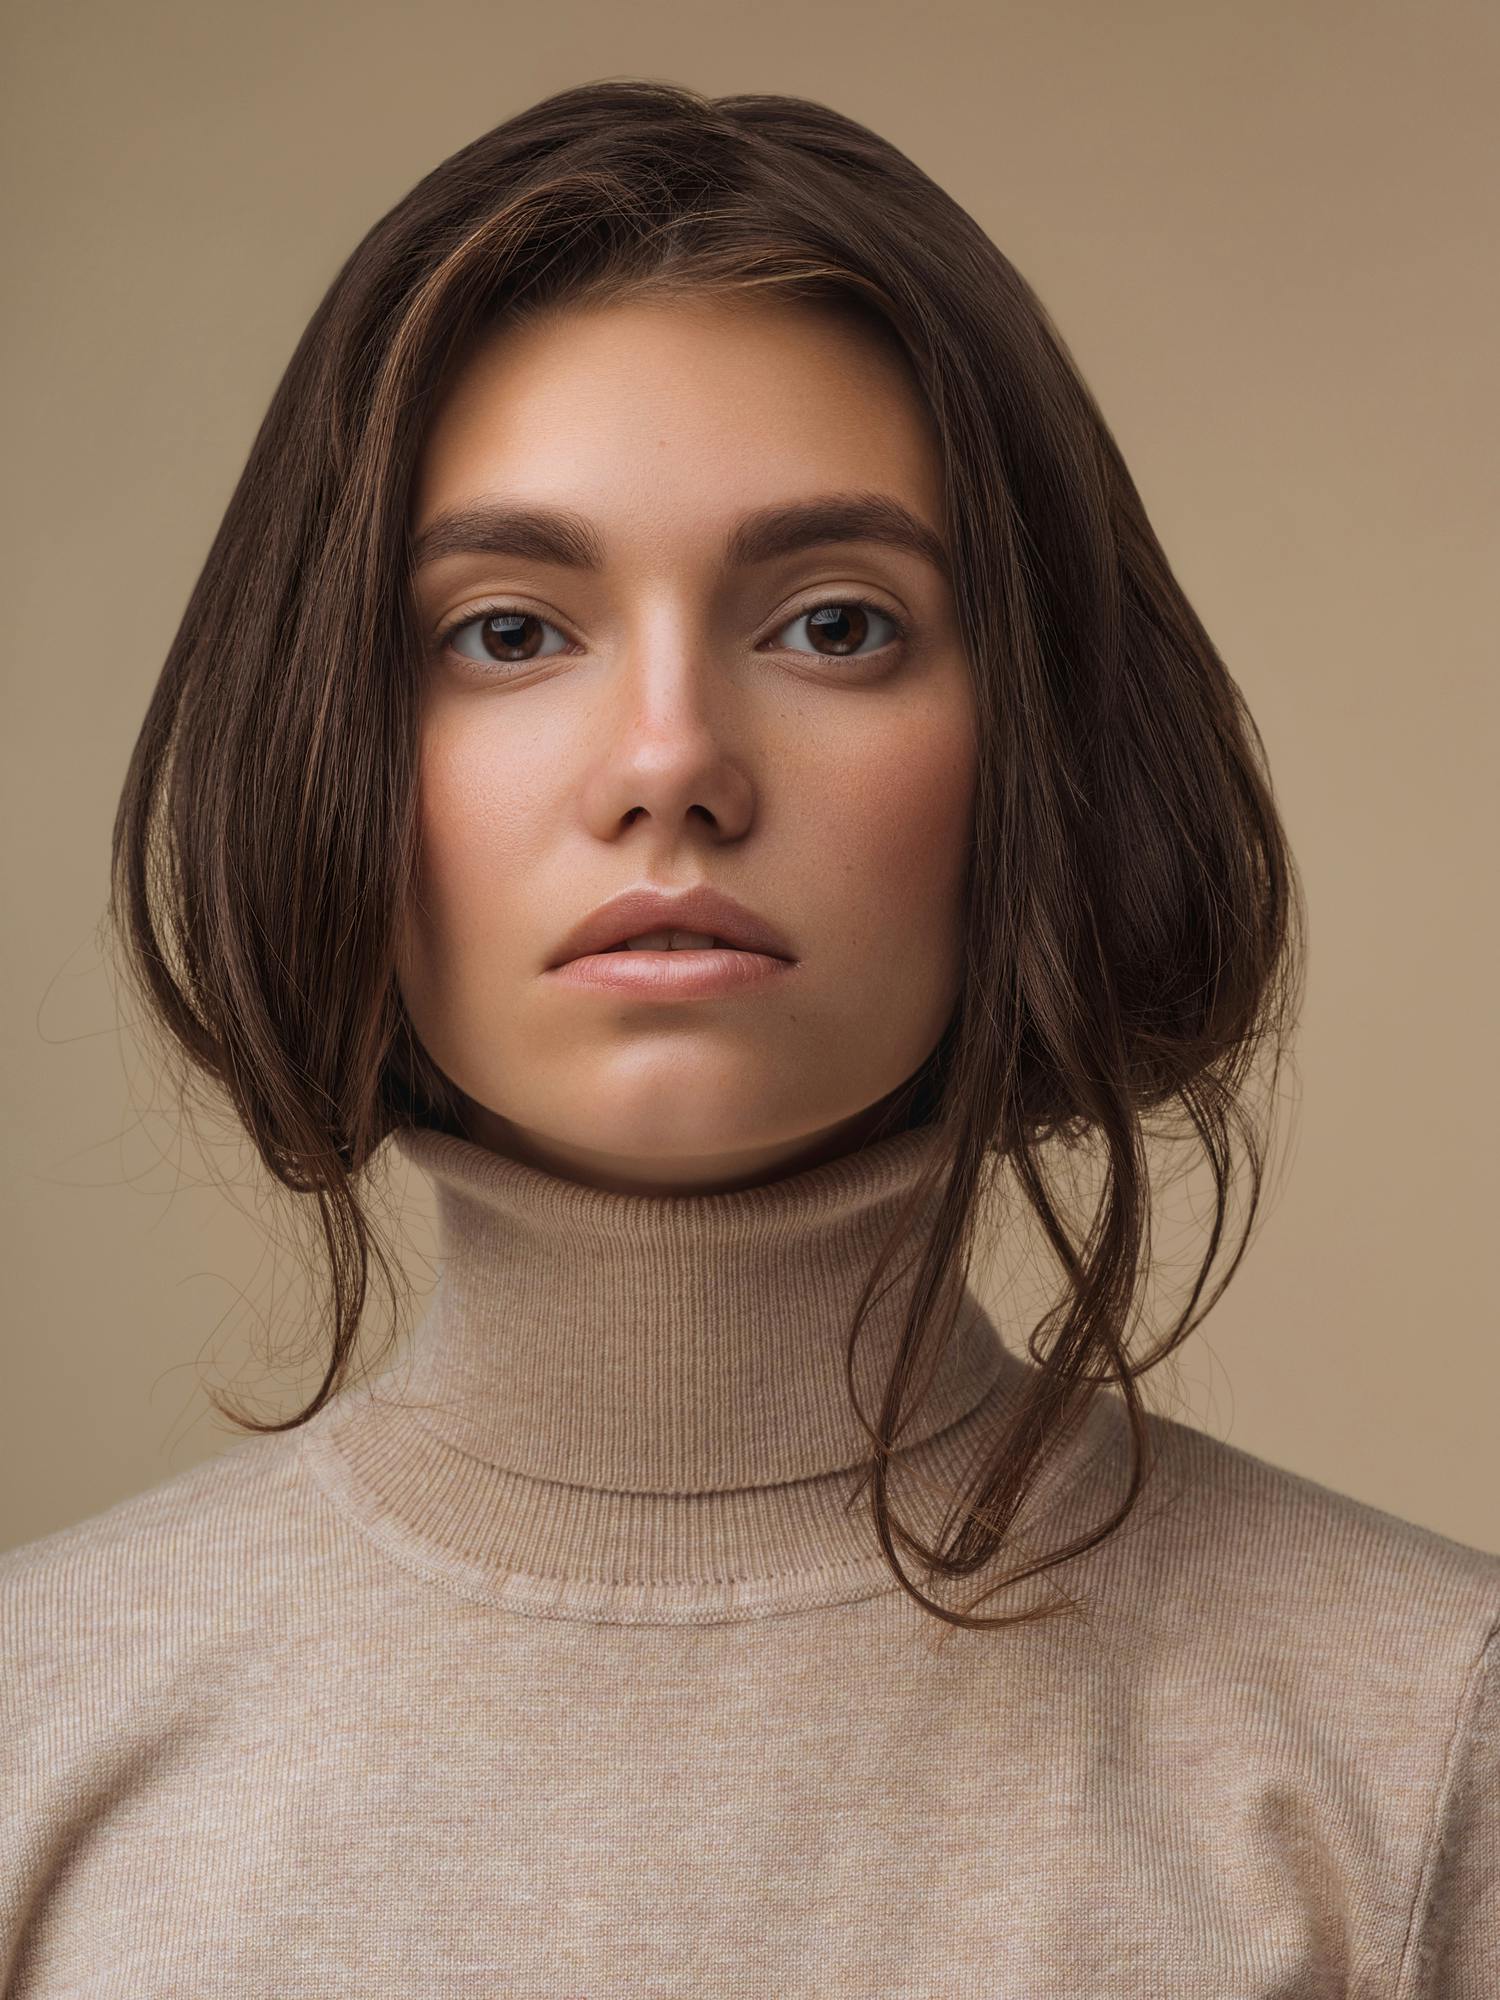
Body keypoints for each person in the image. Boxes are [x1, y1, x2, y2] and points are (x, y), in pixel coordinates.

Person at [2, 77, 1494, 1996]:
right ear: (327, 749)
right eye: (509, 632)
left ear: (1041, 751)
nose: (673, 763)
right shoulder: (42, 1734)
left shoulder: (1419, 1747)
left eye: (836, 625)